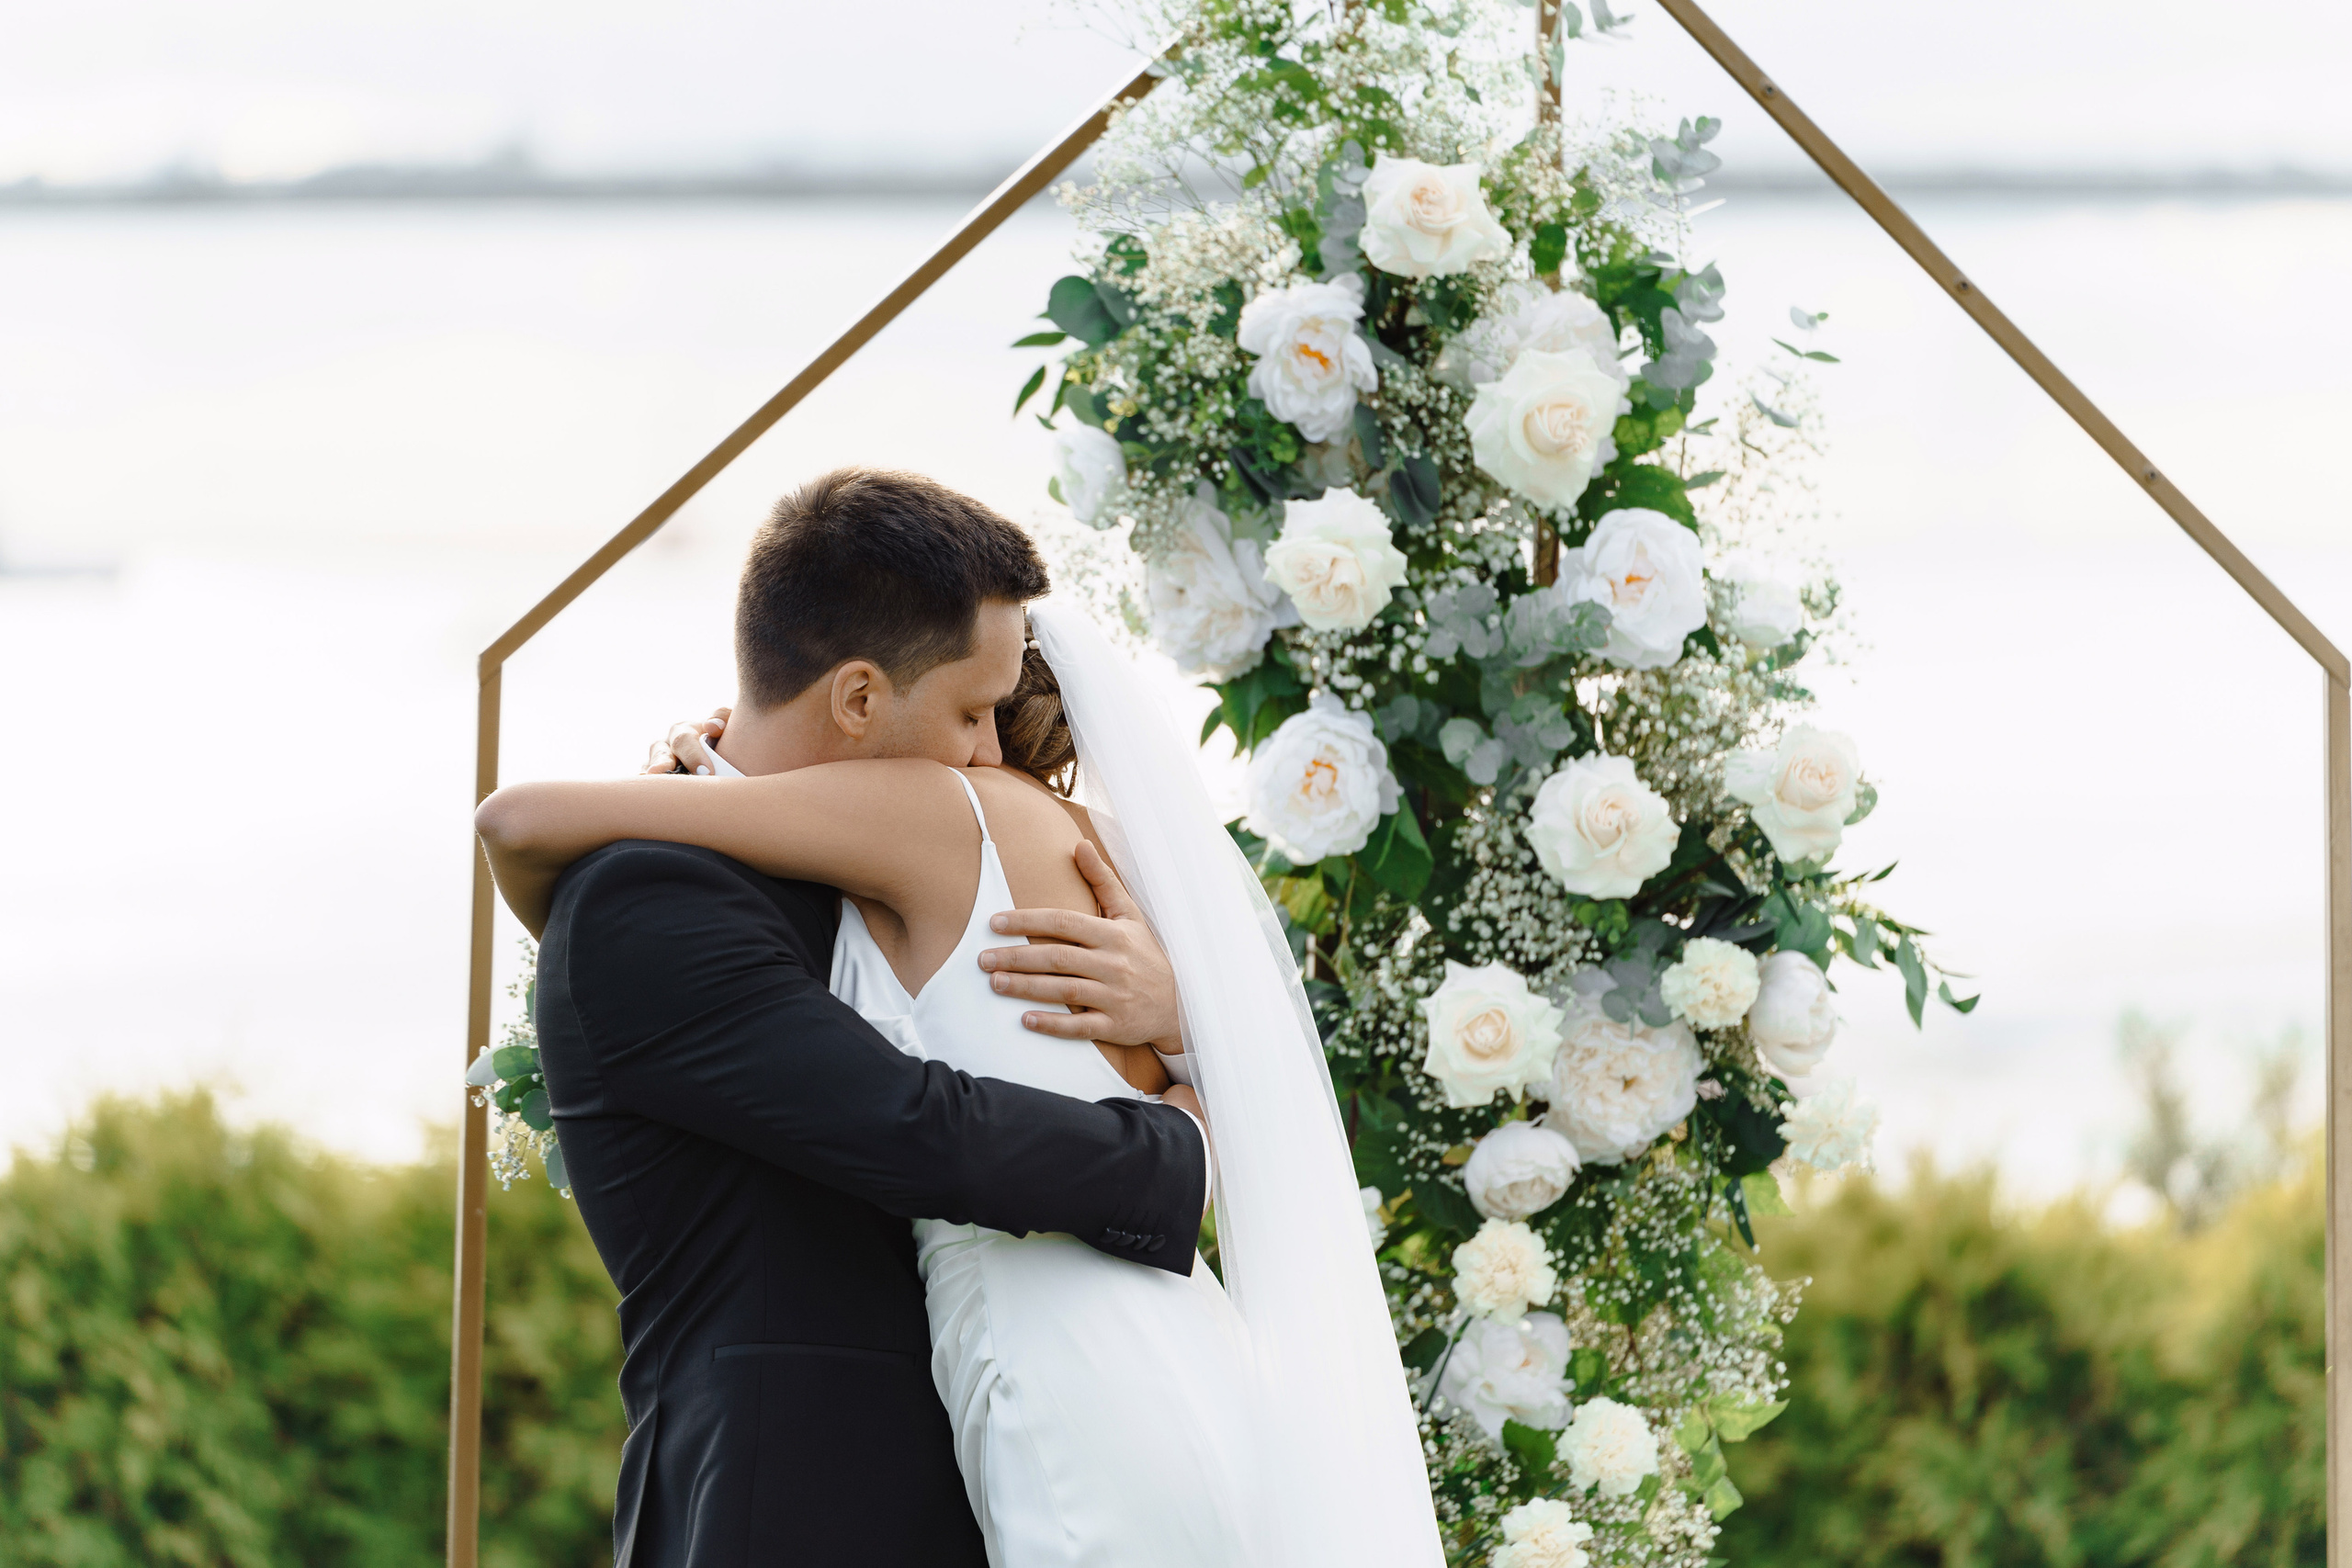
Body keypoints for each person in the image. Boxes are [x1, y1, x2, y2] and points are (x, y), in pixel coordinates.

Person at [480, 468, 1443, 1567]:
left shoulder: (909, 859)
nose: (985, 752)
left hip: (1024, 1438)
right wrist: (1178, 1145)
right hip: (794, 1502)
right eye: (969, 712)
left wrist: (1175, 1017)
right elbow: (908, 1125)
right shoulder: (651, 899)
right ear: (857, 698)